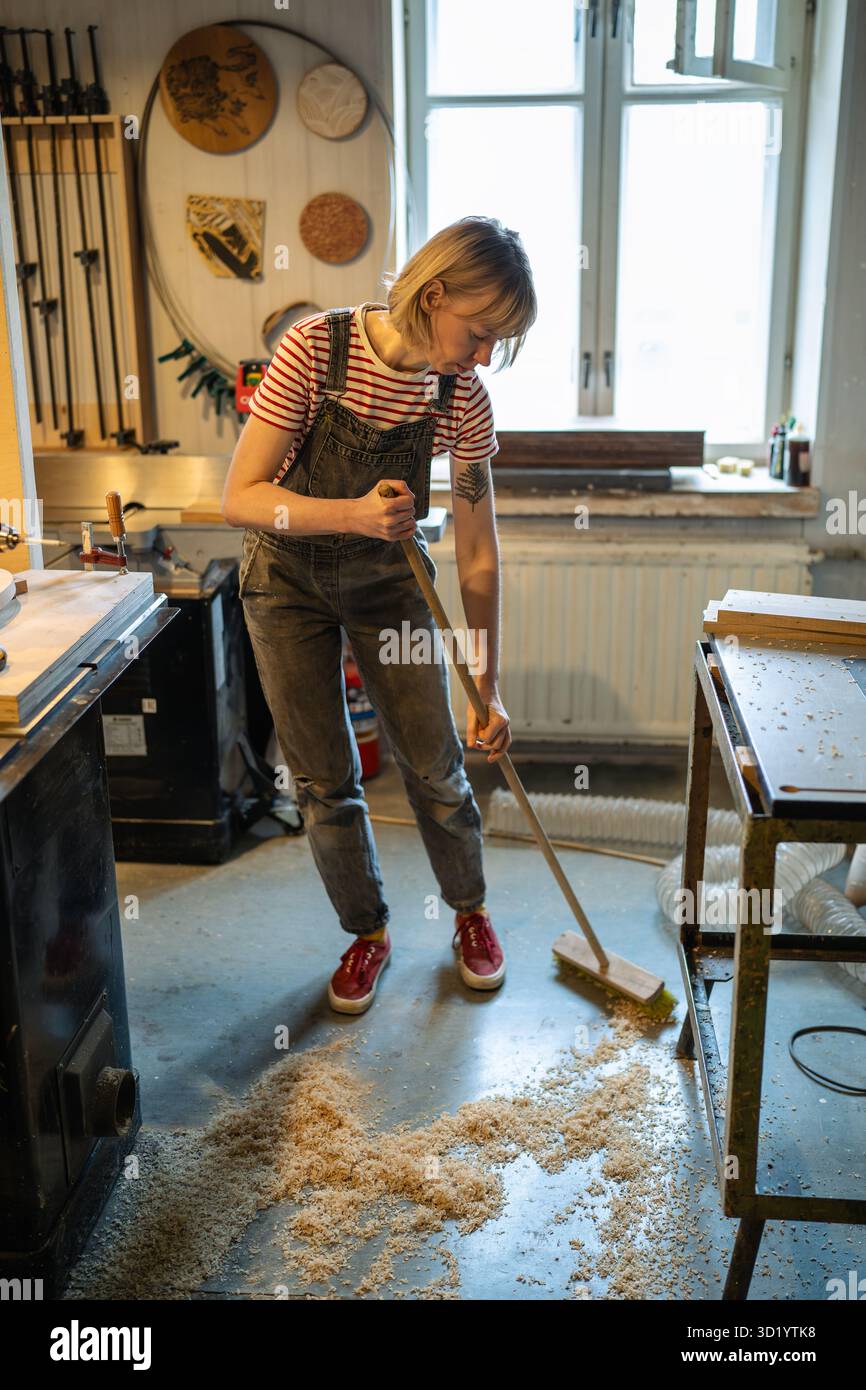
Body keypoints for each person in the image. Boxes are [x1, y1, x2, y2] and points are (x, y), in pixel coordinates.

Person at [222, 215, 537, 1014]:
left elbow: (477, 554)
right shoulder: (314, 349)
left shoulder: (460, 396)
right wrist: (352, 516)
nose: (484, 355)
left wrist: (488, 687)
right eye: (481, 331)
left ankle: (470, 914)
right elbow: (242, 499)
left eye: (500, 342)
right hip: (285, 581)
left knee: (434, 766)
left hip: (391, 582)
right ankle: (368, 933)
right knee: (325, 782)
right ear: (433, 296)